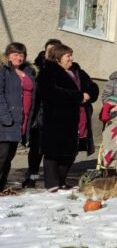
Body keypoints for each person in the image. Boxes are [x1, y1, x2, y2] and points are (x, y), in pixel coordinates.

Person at [37, 44, 99, 191]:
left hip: (79, 117)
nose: (71, 58)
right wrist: (78, 96)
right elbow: (51, 92)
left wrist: (89, 94)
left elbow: (93, 86)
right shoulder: (48, 72)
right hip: (57, 118)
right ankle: (52, 184)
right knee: (53, 152)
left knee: (71, 151)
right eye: (68, 56)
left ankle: (62, 180)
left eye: (71, 55)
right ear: (58, 58)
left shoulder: (77, 70)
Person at [0, 43, 36, 195]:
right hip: (6, 121)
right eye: (15, 54)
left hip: (21, 121)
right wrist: (5, 117)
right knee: (2, 156)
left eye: (22, 54)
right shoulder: (4, 70)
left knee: (8, 157)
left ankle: (1, 186)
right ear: (8, 55)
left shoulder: (28, 71)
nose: (19, 57)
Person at [24, 39, 60, 189]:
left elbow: (88, 86)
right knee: (36, 150)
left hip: (56, 116)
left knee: (51, 151)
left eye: (55, 50)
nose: (51, 53)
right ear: (44, 51)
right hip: (38, 115)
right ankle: (31, 177)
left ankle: (51, 181)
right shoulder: (35, 68)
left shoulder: (65, 68)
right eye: (49, 50)